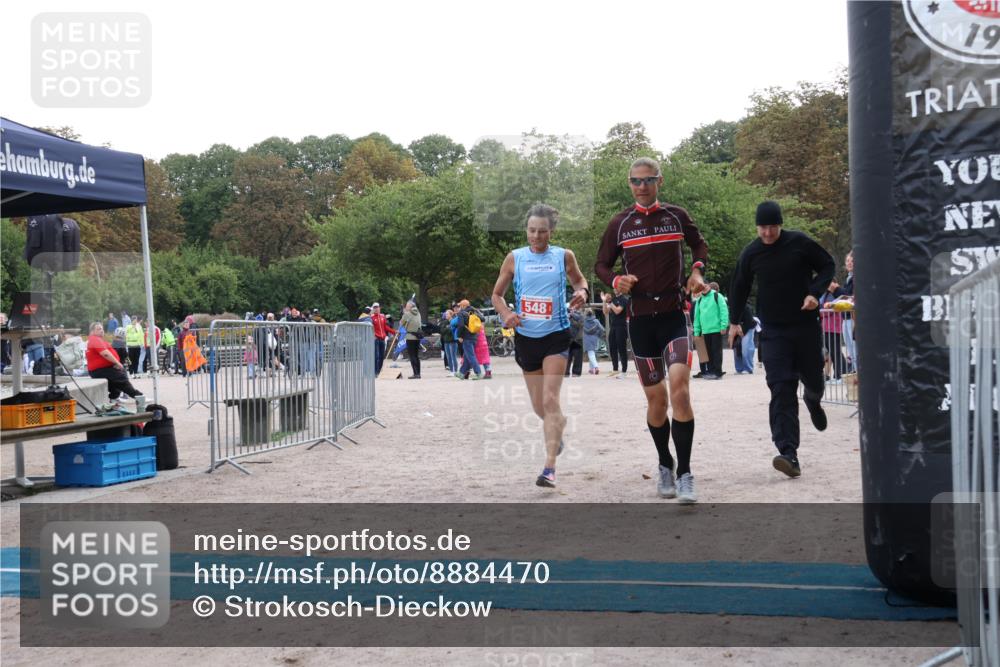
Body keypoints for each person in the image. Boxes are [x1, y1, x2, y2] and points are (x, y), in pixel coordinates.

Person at [594, 157, 708, 504]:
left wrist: (698, 272)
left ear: (660, 180)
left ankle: (686, 473)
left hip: (674, 314)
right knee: (657, 400)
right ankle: (664, 463)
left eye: (648, 180)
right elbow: (601, 264)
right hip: (641, 320)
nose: (641, 186)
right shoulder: (620, 223)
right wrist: (616, 279)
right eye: (635, 181)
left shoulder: (676, 215)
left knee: (681, 391)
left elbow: (698, 244)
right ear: (629, 184)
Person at [727, 200, 836, 478]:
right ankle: (788, 453)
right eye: (763, 228)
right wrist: (734, 322)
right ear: (757, 227)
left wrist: (815, 293)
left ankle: (813, 400)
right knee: (781, 388)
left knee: (813, 379)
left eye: (772, 227)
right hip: (773, 331)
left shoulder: (798, 242)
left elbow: (827, 265)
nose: (767, 233)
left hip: (805, 326)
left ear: (780, 225)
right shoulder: (751, 253)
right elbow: (739, 286)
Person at [491, 203, 589, 488]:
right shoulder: (514, 259)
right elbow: (497, 295)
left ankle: (549, 468)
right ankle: (557, 429)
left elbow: (579, 280)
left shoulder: (563, 256)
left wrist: (581, 291)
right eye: (532, 231)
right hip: (526, 338)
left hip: (556, 335)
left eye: (542, 232)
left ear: (551, 232)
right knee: (539, 407)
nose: (536, 236)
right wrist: (507, 314)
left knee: (549, 399)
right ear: (526, 230)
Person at [86, 322, 144, 403]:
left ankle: (113, 400)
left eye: (102, 328)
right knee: (122, 380)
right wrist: (117, 362)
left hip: (102, 369)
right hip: (101, 370)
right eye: (99, 329)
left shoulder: (96, 339)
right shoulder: (95, 340)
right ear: (92, 331)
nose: (102, 330)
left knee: (115, 384)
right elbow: (105, 353)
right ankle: (139, 397)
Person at [692, 282, 728, 379]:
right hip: (705, 331)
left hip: (716, 329)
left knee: (716, 352)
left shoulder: (717, 296)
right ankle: (711, 371)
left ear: (708, 285)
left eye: (704, 285)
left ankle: (717, 372)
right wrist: (696, 331)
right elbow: (697, 317)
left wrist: (723, 326)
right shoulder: (699, 300)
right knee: (708, 353)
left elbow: (723, 311)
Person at [602, 289, 630, 378]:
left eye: (617, 288)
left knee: (622, 348)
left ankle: (624, 371)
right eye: (614, 288)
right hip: (613, 327)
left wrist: (610, 303)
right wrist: (604, 301)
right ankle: (615, 369)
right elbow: (605, 312)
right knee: (612, 347)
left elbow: (618, 311)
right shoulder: (613, 300)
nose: (615, 290)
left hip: (621, 327)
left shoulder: (624, 299)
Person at [453, 300, 483, 380]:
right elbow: (482, 319)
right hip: (474, 336)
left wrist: (459, 336)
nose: (459, 307)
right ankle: (462, 373)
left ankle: (478, 373)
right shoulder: (474, 312)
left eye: (460, 306)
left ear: (463, 306)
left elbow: (461, 325)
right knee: (467, 356)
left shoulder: (461, 313)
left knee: (471, 356)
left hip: (466, 337)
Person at [369, 303, 396, 375]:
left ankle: (379, 371)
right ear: (373, 309)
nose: (376, 309)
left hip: (382, 338)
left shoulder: (383, 316)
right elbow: (370, 328)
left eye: (377, 307)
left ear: (379, 308)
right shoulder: (371, 318)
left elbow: (385, 327)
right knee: (376, 356)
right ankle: (375, 372)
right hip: (376, 338)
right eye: (374, 307)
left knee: (381, 356)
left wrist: (394, 332)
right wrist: (373, 335)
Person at [399, 300, 423, 379]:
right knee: (416, 355)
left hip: (410, 336)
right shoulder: (418, 313)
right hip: (417, 336)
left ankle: (415, 374)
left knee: (412, 356)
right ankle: (418, 373)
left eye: (406, 306)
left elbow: (401, 323)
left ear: (410, 307)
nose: (405, 307)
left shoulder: (407, 314)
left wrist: (404, 314)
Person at [583, 308, 605, 374]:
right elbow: (602, 329)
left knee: (591, 354)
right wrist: (598, 334)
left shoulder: (583, 321)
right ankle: (591, 369)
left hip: (587, 338)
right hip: (595, 338)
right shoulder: (596, 321)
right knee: (592, 353)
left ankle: (596, 367)